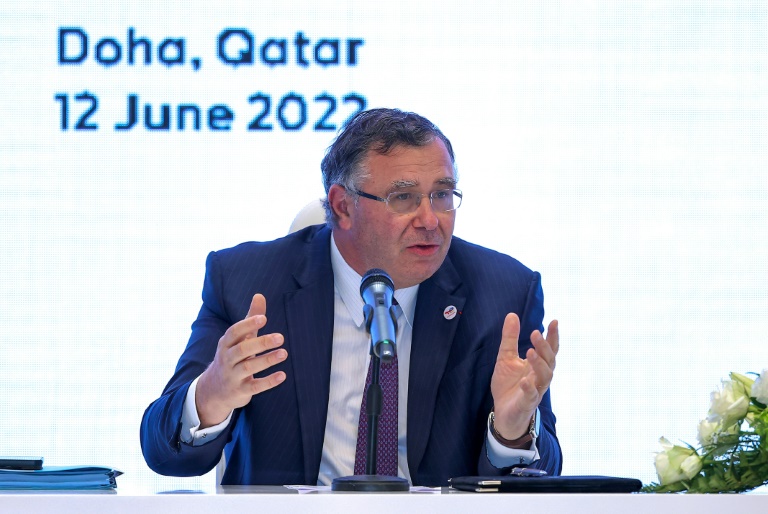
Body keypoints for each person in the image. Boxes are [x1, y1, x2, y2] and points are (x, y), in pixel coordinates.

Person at [140, 108, 562, 487]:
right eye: (404, 197)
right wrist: (210, 396)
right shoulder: (248, 284)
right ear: (342, 206)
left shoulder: (503, 293)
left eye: (442, 195)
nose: (431, 219)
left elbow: (542, 477)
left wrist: (511, 433)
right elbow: (164, 453)